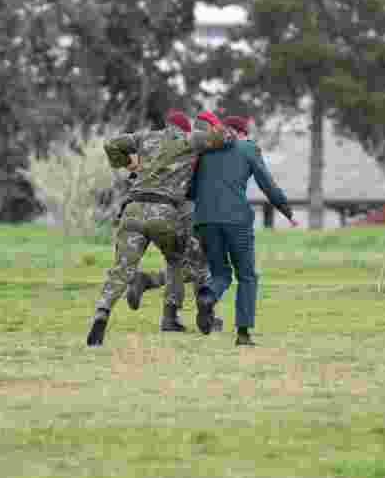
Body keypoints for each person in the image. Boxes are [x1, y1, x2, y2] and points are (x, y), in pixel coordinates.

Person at [88, 110, 227, 346]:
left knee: (121, 269)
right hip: (164, 213)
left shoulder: (144, 137)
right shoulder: (188, 139)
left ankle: (102, 311)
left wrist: (130, 165)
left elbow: (111, 145)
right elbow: (221, 138)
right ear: (183, 129)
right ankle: (189, 313)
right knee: (178, 258)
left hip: (132, 210)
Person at [189, 113, 298, 346]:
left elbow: (190, 189)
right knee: (247, 275)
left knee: (220, 273)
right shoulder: (247, 148)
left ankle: (208, 296)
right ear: (241, 133)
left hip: (204, 220)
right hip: (236, 220)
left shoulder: (204, 150)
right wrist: (286, 210)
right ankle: (243, 333)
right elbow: (266, 183)